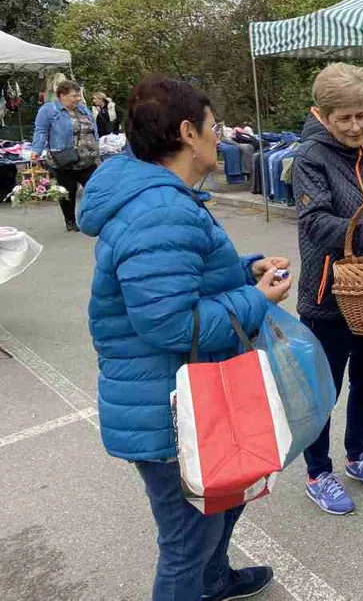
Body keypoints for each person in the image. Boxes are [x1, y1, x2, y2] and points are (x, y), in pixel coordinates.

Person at [77, 74, 292, 600]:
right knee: (187, 540)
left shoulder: (165, 198)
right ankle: (201, 578)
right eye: (213, 128)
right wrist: (257, 299)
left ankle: (213, 583)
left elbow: (181, 281)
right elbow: (172, 323)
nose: (219, 138)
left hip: (188, 394)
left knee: (221, 502)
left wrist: (244, 271)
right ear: (186, 133)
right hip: (169, 408)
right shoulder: (159, 209)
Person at [291, 62, 363, 516]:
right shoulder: (310, 158)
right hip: (327, 295)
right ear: (322, 115)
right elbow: (314, 223)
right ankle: (318, 472)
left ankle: (357, 455)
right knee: (323, 391)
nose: (356, 126)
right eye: (344, 118)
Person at [32, 80, 101, 232]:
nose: (78, 98)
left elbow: (93, 130)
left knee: (96, 190)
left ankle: (96, 219)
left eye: (78, 95)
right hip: (64, 159)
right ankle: (70, 221)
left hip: (87, 159)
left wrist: (98, 151)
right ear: (62, 95)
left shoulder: (83, 109)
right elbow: (41, 131)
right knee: (67, 192)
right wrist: (36, 151)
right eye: (74, 96)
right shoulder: (48, 110)